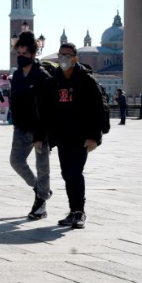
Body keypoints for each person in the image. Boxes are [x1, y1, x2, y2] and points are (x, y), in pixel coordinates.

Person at [37, 43, 105, 229]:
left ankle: (79, 212)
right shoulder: (53, 82)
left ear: (75, 58)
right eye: (61, 55)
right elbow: (45, 111)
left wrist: (94, 137)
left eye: (68, 55)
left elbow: (97, 110)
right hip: (62, 137)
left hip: (81, 137)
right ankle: (73, 210)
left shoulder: (86, 81)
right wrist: (41, 136)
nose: (64, 58)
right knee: (67, 174)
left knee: (75, 172)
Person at [9, 31, 52, 220]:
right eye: (19, 53)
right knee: (16, 161)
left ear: (33, 54)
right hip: (21, 127)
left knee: (42, 166)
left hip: (39, 128)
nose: (21, 57)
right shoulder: (17, 76)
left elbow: (47, 108)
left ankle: (41, 203)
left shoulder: (42, 76)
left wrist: (40, 134)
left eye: (24, 54)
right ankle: (39, 188)